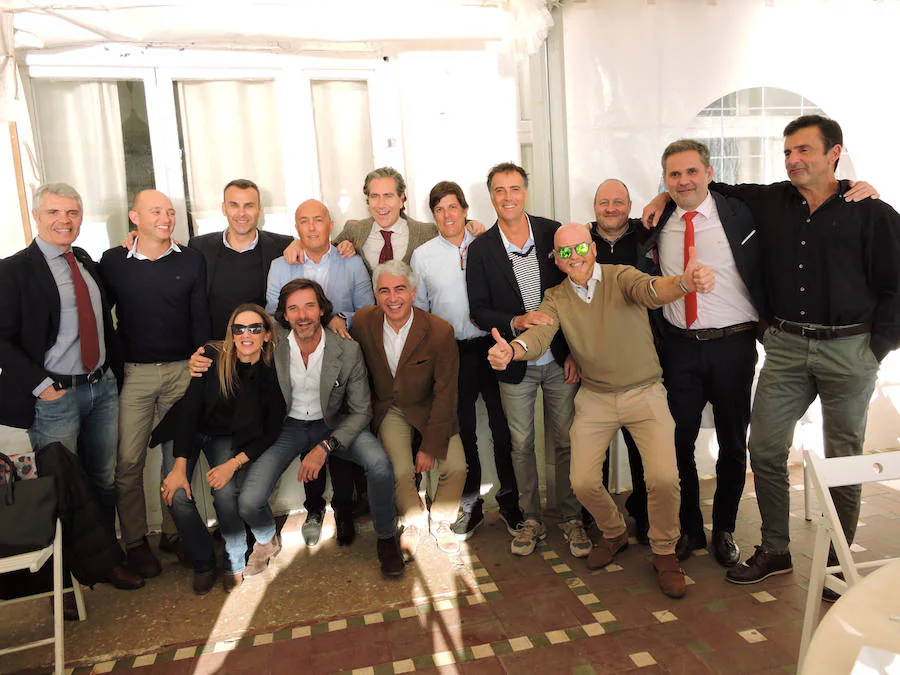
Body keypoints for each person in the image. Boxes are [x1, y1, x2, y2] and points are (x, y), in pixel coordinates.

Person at [642, 115, 897, 590]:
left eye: (804, 151)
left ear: (834, 153)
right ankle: (776, 549)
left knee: (843, 456)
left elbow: (896, 286)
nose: (794, 160)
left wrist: (875, 349)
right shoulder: (774, 200)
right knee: (763, 446)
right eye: (787, 153)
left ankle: (838, 562)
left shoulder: (872, 212)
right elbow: (710, 185)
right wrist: (663, 194)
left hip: (849, 350)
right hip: (785, 347)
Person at [487, 223, 716, 598]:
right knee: (582, 482)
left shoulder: (620, 275)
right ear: (556, 260)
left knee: (662, 478)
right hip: (595, 397)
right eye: (564, 252)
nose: (573, 256)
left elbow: (652, 291)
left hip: (645, 393)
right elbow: (540, 332)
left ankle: (663, 552)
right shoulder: (556, 296)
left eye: (579, 248)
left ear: (592, 248)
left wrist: (685, 283)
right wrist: (512, 350)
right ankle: (614, 532)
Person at [191, 278, 406, 577]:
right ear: (283, 315)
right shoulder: (273, 341)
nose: (302, 315)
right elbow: (236, 342)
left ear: (322, 311)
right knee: (249, 502)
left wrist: (325, 447)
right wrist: (202, 357)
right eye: (293, 308)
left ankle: (386, 539)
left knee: (380, 465)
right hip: (286, 428)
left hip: (334, 426)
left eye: (309, 306)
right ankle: (267, 540)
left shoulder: (347, 349)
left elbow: (361, 411)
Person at [0, 182, 143, 593]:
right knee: (60, 489)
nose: (64, 220)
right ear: (36, 216)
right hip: (54, 398)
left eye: (73, 213)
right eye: (54, 213)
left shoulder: (83, 260)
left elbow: (107, 307)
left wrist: (130, 247)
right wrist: (41, 386)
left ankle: (105, 562)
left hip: (103, 390)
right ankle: (60, 582)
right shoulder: (13, 270)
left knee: (102, 480)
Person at [637, 140, 768, 567]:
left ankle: (725, 527)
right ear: (665, 180)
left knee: (733, 443)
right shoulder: (659, 223)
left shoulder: (739, 213)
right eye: (674, 175)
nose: (683, 181)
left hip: (734, 345)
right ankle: (690, 529)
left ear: (709, 173)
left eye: (692, 172)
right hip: (680, 349)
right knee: (678, 443)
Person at [466, 162, 585, 558]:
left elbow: (577, 289)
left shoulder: (553, 232)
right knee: (521, 444)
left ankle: (571, 517)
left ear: (526, 192)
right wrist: (516, 321)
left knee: (565, 440)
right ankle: (531, 518)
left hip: (559, 360)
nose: (508, 197)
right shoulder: (481, 249)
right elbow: (479, 310)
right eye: (499, 190)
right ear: (491, 196)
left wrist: (574, 352)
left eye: (514, 188)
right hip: (513, 363)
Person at [99, 189, 210, 579]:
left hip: (183, 371)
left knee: (177, 459)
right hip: (135, 374)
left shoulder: (191, 260)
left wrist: (201, 365)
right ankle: (134, 543)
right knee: (128, 462)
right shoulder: (113, 262)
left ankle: (174, 534)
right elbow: (100, 316)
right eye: (155, 211)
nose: (165, 217)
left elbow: (200, 318)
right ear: (134, 218)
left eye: (170, 211)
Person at [410, 181, 519, 541]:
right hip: (454, 354)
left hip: (494, 346)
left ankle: (511, 504)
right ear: (433, 215)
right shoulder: (423, 256)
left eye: (453, 207)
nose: (447, 215)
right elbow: (421, 313)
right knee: (466, 433)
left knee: (504, 429)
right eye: (439, 209)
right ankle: (470, 506)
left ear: (466, 209)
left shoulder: (486, 243)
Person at [152, 304, 285, 594]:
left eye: (254, 328)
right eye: (239, 329)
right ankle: (202, 562)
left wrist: (233, 463)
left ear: (266, 335)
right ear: (231, 334)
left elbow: (272, 430)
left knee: (225, 493)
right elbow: (189, 410)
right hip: (187, 427)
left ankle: (234, 561)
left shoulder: (272, 372)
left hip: (227, 437)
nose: (246, 334)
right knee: (175, 493)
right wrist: (178, 466)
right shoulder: (212, 357)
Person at [265, 198, 374, 546]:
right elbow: (271, 316)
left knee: (339, 437)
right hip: (299, 364)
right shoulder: (281, 265)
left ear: (330, 224)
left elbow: (368, 311)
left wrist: (344, 319)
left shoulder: (350, 260)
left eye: (318, 220)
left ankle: (344, 509)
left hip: (342, 363)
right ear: (296, 228)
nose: (312, 227)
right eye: (304, 221)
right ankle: (314, 507)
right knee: (306, 438)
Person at [352, 261, 467, 559]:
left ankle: (441, 520)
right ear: (376, 296)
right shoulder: (364, 322)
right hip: (391, 408)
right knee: (399, 470)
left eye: (400, 289)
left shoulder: (440, 331)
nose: (393, 298)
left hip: (432, 407)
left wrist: (429, 447)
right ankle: (413, 520)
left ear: (413, 292)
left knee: (455, 466)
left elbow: (446, 393)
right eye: (384, 291)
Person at [588, 178, 652, 543]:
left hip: (638, 359)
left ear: (630, 205)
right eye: (603, 202)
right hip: (591, 359)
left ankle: (642, 512)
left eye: (618, 202)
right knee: (593, 448)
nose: (610, 208)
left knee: (641, 444)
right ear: (594, 206)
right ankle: (598, 519)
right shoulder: (578, 243)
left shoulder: (648, 237)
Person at [189, 179, 294, 340]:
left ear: (259, 209)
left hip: (263, 350)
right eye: (234, 205)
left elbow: (317, 252)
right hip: (216, 349)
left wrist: (303, 243)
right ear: (224, 208)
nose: (241, 213)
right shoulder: (199, 246)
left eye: (249, 206)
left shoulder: (282, 246)